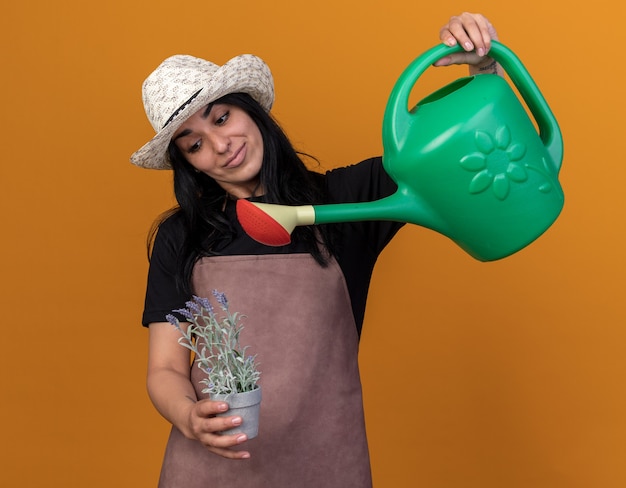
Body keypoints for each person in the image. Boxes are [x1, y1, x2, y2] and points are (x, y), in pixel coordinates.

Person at [132, 12, 499, 488]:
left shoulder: (346, 202)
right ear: (189, 164)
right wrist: (189, 417)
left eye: (223, 117)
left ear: (251, 110)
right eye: (196, 143)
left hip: (328, 464)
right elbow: (164, 368)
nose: (221, 145)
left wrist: (481, 68)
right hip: (210, 469)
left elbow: (451, 152)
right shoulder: (182, 237)